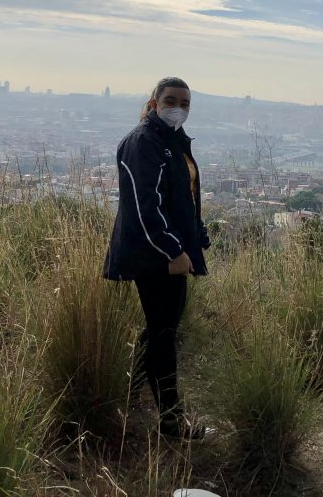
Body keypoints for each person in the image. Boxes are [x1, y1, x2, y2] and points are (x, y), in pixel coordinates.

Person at [103, 77, 215, 441]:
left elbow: (182, 197)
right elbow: (144, 208)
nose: (178, 108)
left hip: (171, 252)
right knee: (164, 336)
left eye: (185, 103)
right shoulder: (142, 142)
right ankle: (171, 422)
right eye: (170, 101)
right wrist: (174, 251)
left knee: (159, 329)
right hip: (154, 256)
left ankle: (127, 396)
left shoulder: (172, 141)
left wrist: (196, 236)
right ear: (154, 103)